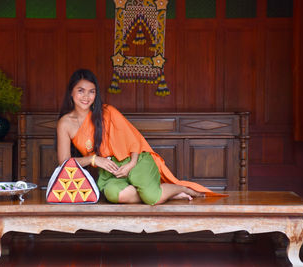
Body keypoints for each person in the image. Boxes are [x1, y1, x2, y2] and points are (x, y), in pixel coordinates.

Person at [57, 69, 221, 205]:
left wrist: (131, 164)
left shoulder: (107, 112)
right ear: (71, 92)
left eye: (91, 92)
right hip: (110, 171)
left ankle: (180, 189)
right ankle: (162, 193)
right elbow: (64, 162)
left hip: (136, 161)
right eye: (81, 91)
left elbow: (134, 141)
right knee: (115, 195)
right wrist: (94, 160)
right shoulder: (65, 123)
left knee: (151, 198)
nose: (86, 97)